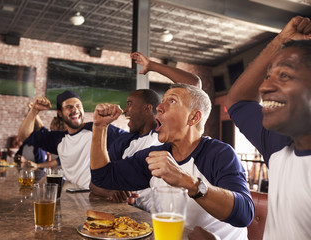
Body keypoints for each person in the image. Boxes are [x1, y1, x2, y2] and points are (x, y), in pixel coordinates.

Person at [90, 83, 254, 239]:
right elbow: (102, 177)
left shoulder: (220, 154)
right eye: (161, 102)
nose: (159, 108)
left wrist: (189, 182)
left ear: (193, 117)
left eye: (172, 101)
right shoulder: (154, 155)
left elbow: (244, 214)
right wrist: (99, 127)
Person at [225, 16, 311, 240]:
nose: (264, 86)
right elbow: (239, 102)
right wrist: (282, 40)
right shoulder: (280, 146)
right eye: (268, 75)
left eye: (284, 75)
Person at [90, 52, 202, 205]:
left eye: (130, 104)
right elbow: (97, 180)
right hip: (135, 217)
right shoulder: (124, 142)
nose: (124, 110)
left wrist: (152, 66)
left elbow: (194, 86)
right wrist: (112, 190)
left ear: (148, 108)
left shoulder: (167, 137)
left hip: (165, 216)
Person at [17, 90, 126, 189]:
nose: (75, 110)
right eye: (69, 107)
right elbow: (24, 136)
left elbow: (131, 143)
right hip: (73, 197)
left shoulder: (100, 128)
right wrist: (34, 110)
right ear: (60, 113)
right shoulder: (59, 139)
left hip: (100, 197)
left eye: (78, 106)